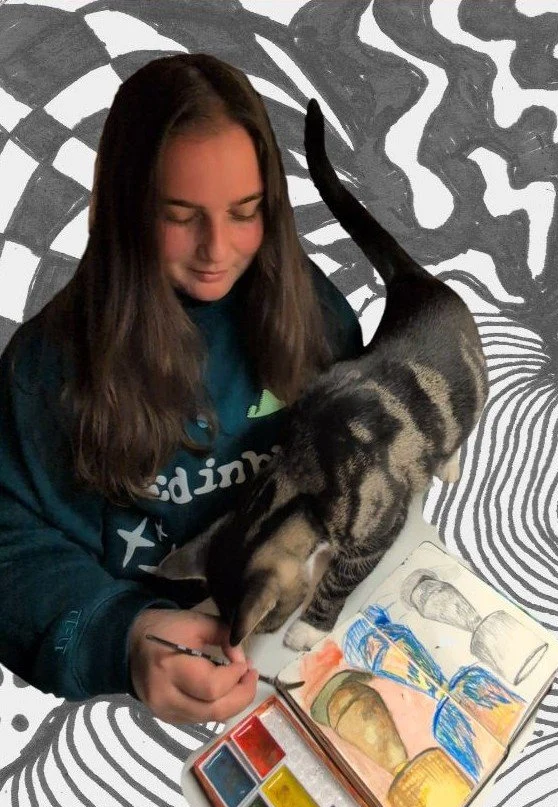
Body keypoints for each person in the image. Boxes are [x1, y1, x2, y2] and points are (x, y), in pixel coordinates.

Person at [0, 53, 363, 724]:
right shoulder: (42, 372)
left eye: (245, 212)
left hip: (320, 644)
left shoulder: (318, 315)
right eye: (179, 215)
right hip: (142, 703)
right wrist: (124, 637)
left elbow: (359, 463)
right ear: (127, 208)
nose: (216, 249)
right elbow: (9, 544)